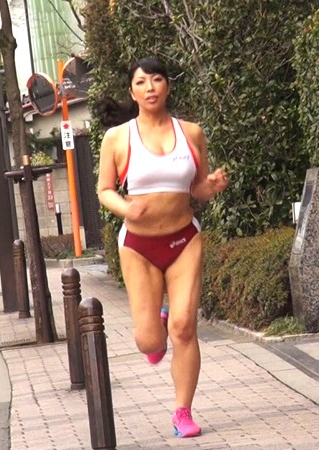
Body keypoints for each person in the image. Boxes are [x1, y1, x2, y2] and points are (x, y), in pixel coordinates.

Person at [96, 56, 228, 439]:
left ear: (167, 86)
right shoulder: (117, 138)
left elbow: (196, 187)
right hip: (138, 246)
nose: (150, 87)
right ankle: (160, 322)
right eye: (141, 82)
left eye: (156, 80)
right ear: (132, 91)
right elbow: (104, 190)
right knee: (150, 341)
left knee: (184, 329)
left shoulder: (191, 133)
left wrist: (211, 186)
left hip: (184, 239)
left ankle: (183, 411)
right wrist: (126, 208)